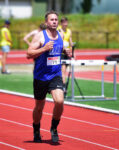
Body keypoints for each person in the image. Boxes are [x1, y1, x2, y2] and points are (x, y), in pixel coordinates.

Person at [27, 11, 64, 143]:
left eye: (56, 19)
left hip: (55, 75)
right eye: (52, 20)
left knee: (59, 101)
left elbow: (60, 48)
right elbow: (29, 54)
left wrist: (66, 51)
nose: (54, 21)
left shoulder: (61, 34)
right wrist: (43, 48)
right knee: (39, 107)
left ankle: (54, 128)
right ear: (46, 22)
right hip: (41, 76)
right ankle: (36, 129)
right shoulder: (39, 36)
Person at [58, 17, 73, 94]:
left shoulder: (69, 31)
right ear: (61, 23)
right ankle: (63, 86)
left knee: (65, 70)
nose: (66, 24)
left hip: (67, 53)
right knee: (63, 70)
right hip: (61, 52)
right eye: (64, 22)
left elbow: (71, 42)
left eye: (66, 22)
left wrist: (72, 52)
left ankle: (63, 85)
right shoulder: (58, 30)